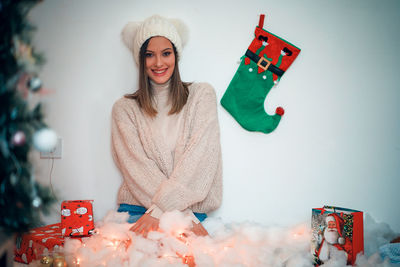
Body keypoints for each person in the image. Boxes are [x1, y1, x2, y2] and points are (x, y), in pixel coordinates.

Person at [111, 15, 222, 237]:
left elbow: (201, 160)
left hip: (190, 214)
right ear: (140, 60)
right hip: (138, 212)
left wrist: (166, 210)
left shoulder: (201, 95)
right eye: (149, 55)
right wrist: (174, 213)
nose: (158, 63)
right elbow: (137, 169)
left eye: (166, 53)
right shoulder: (124, 109)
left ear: (176, 55)